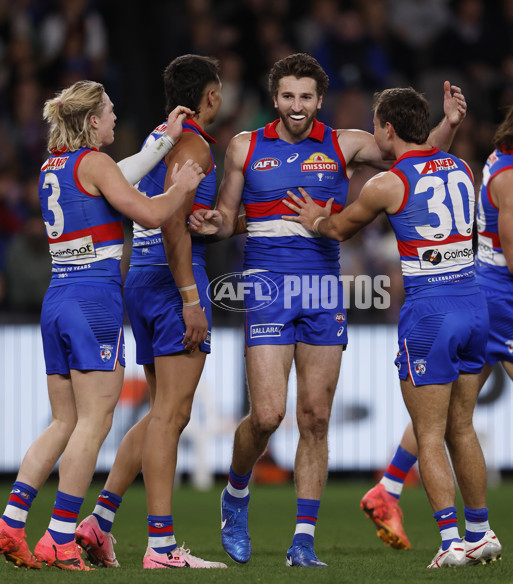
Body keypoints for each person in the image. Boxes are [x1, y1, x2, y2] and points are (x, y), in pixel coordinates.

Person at [188, 52, 466, 567]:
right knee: (268, 415)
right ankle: (236, 493)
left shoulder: (344, 143)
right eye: (289, 96)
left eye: (307, 97)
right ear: (276, 99)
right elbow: (227, 218)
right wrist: (211, 224)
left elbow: (417, 160)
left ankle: (303, 541)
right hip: (267, 287)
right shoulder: (245, 146)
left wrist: (447, 125)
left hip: (322, 290)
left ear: (320, 99)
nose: (298, 106)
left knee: (315, 418)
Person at [360, 85, 513, 552]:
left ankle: (387, 488)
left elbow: (510, 230)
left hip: (484, 295)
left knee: (447, 414)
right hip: (499, 301)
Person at [283, 86, 502, 569]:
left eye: (377, 126)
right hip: (474, 302)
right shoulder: (462, 167)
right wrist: (452, 125)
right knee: (461, 427)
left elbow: (340, 229)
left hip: (430, 312)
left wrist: (314, 218)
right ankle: (481, 531)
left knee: (429, 434)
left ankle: (450, 542)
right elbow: (432, 158)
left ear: (386, 128)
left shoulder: (388, 183)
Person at [0, 80, 204, 570]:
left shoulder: (59, 164)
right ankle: (60, 537)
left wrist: (161, 139)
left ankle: (10, 522)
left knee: (64, 421)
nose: (115, 118)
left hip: (58, 299)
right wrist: (182, 186)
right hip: (94, 300)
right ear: (92, 121)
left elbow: (119, 173)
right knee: (95, 421)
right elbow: (152, 214)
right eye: (110, 111)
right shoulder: (96, 164)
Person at [73, 55, 227, 570]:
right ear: (212, 95)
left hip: (140, 276)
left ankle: (100, 521)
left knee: (164, 412)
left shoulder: (161, 135)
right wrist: (189, 297)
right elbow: (173, 223)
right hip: (171, 279)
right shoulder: (196, 145)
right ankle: (161, 547)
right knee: (170, 417)